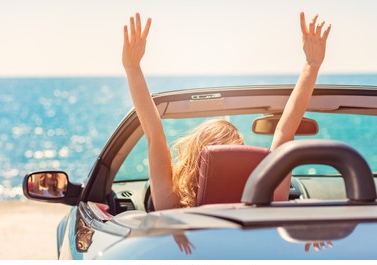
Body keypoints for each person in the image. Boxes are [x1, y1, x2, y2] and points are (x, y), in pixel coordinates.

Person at [122, 12, 331, 210]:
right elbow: (285, 132)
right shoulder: (268, 202)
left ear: (193, 161)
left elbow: (154, 135)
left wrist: (133, 68)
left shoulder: (173, 206)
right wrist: (311, 65)